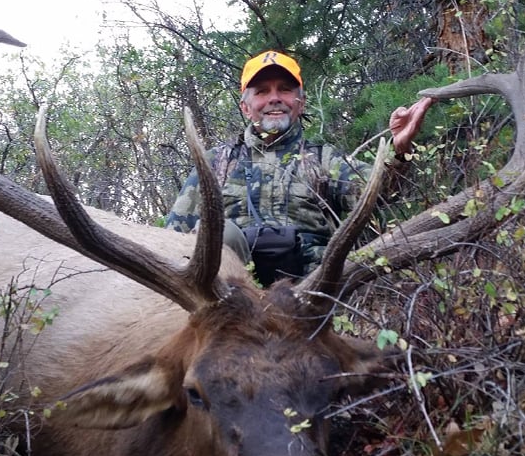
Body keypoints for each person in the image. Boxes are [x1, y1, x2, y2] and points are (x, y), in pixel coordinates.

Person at [164, 50, 435, 284]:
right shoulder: (214, 162)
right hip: (232, 306)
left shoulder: (325, 159)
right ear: (246, 108)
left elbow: (378, 199)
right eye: (262, 91)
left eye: (284, 89)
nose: (274, 98)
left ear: (300, 103)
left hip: (311, 295)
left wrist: (398, 152)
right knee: (219, 232)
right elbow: (171, 239)